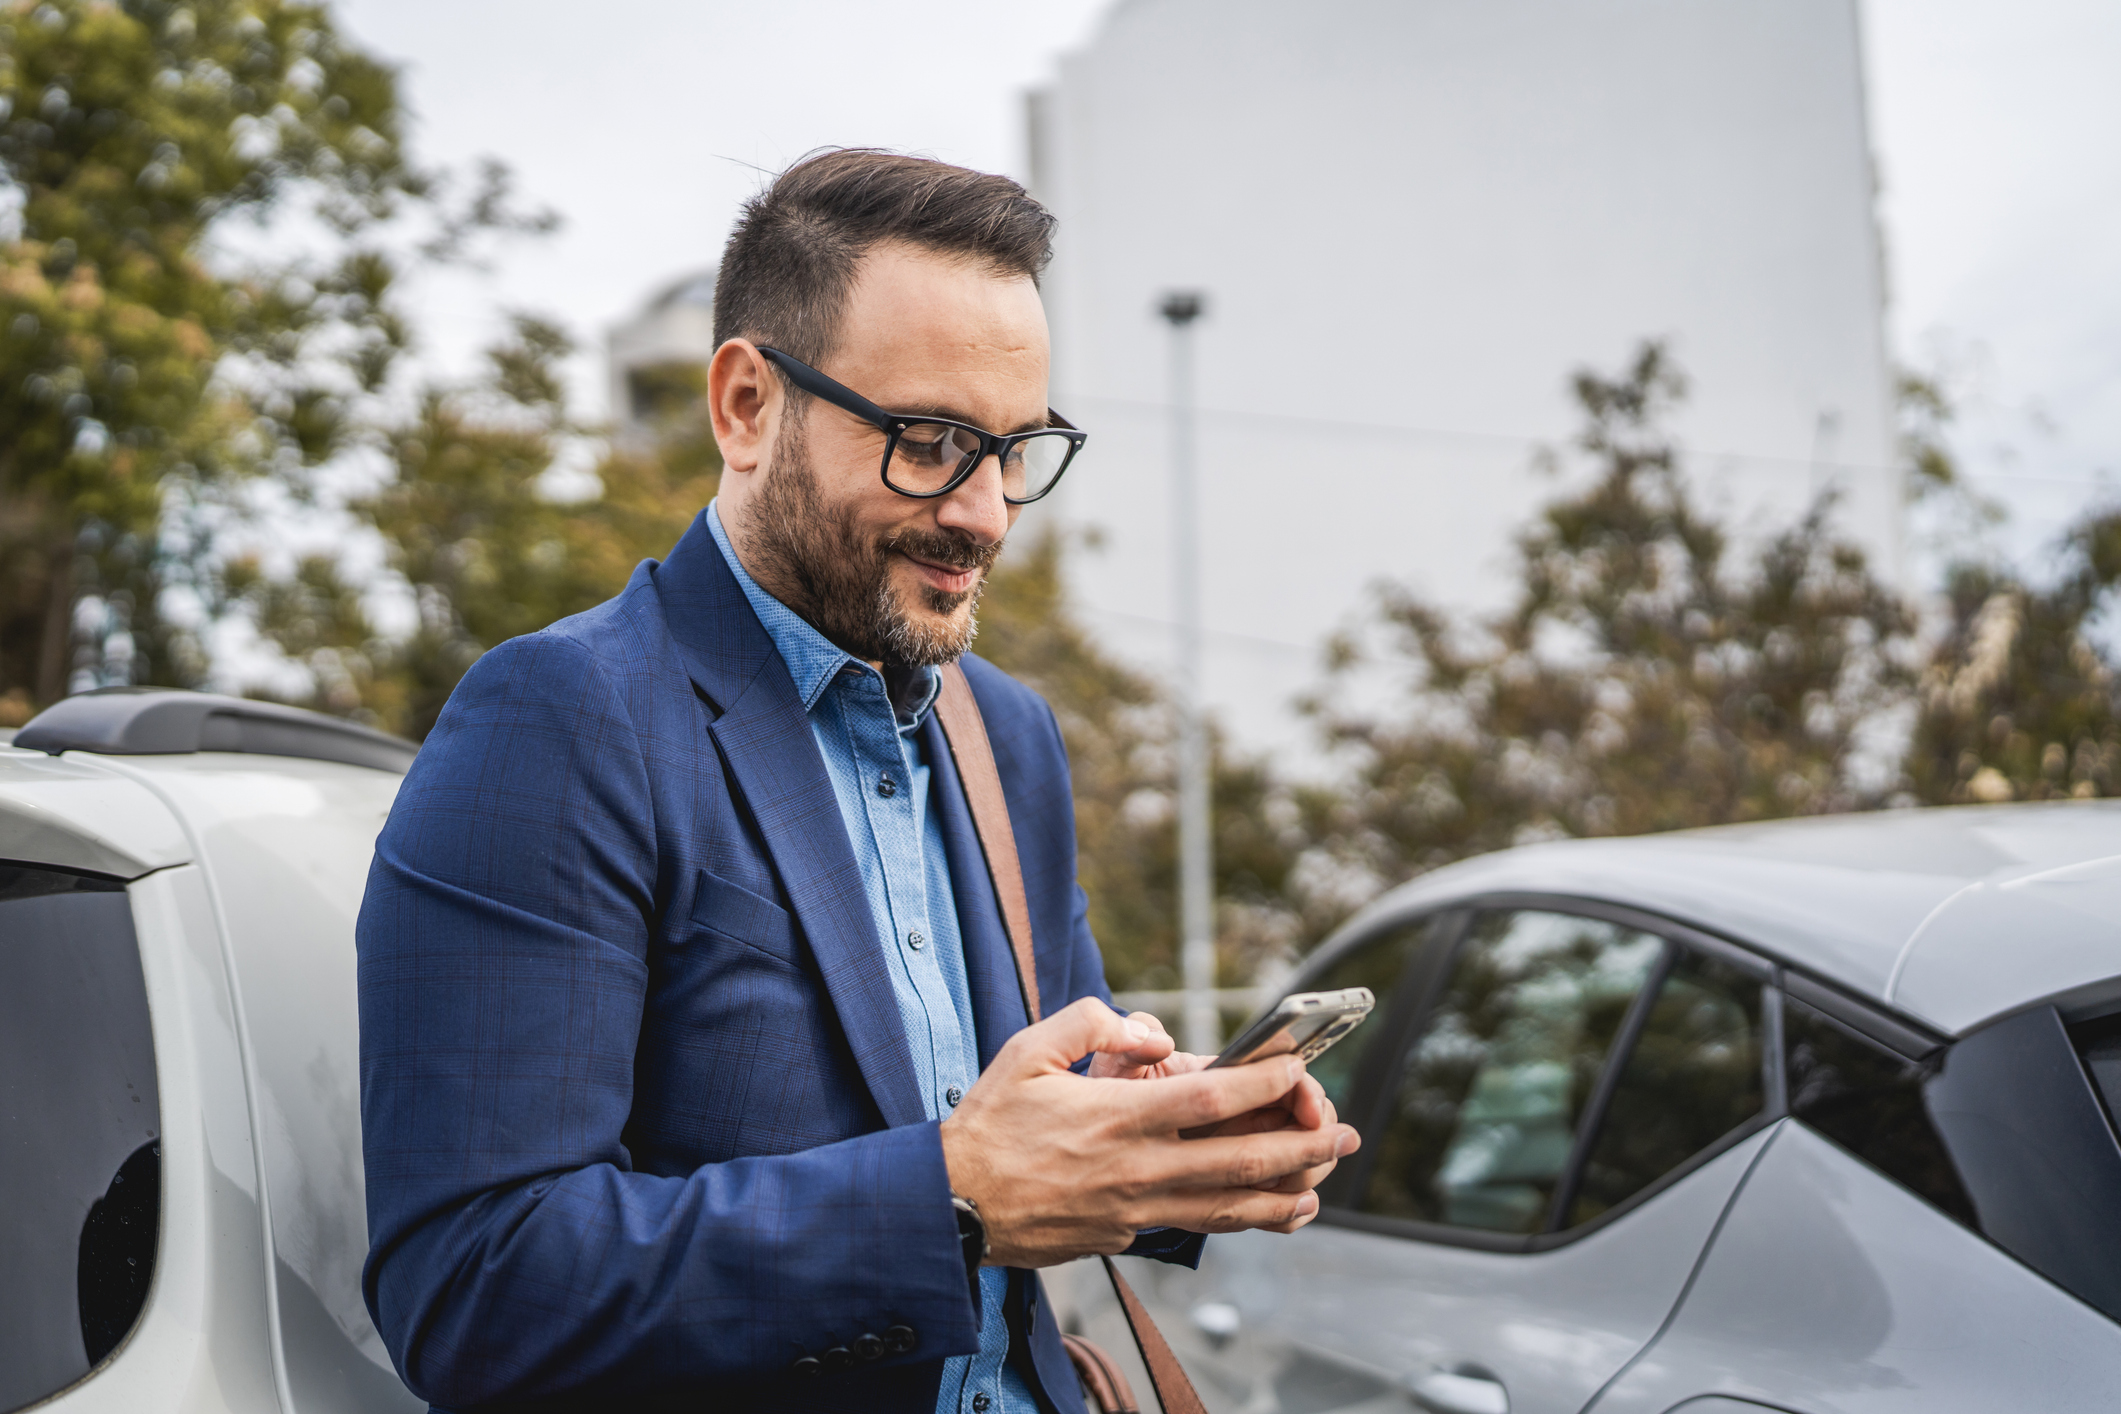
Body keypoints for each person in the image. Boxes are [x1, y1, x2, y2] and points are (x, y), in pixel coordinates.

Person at [355, 148, 1358, 1414]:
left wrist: (1175, 1141)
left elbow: (1045, 1127)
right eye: (930, 441)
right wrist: (953, 1195)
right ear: (746, 406)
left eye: (1016, 448)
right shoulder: (558, 720)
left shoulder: (1012, 739)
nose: (987, 512)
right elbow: (475, 1292)